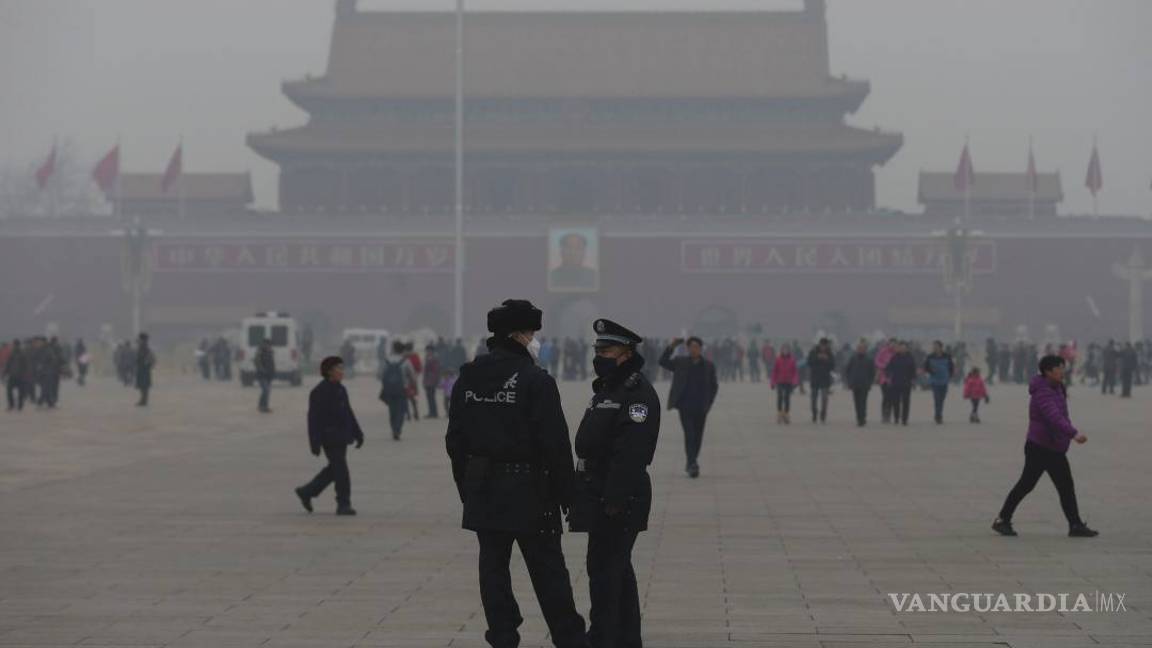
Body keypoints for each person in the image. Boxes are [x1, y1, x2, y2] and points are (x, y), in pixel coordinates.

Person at [445, 299, 588, 648]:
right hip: (530, 489)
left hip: (483, 487)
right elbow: (555, 443)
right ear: (521, 335)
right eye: (532, 333)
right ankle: (569, 636)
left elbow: (455, 439)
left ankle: (503, 635)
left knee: (493, 569)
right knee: (548, 569)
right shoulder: (535, 380)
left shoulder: (469, 375)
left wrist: (467, 486)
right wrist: (568, 496)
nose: (534, 338)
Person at [569, 319, 661, 648]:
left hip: (620, 495)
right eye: (597, 350)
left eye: (606, 350)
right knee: (616, 569)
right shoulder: (609, 388)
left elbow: (633, 453)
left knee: (605, 570)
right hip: (600, 489)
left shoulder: (636, 394)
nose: (599, 356)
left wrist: (615, 498)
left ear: (625, 353)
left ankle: (603, 637)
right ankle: (626, 637)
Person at [992, 356, 1098, 538]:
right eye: (1059, 368)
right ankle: (1003, 519)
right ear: (1048, 371)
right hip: (1040, 447)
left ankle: (1075, 525)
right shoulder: (1042, 391)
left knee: (1064, 485)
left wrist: (1066, 434)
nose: (1063, 371)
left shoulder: (1058, 388)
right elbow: (1053, 416)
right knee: (1027, 484)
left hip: (1053, 447)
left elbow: (1063, 415)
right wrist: (1073, 434)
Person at [295, 356, 364, 516]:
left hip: (342, 437)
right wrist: (315, 442)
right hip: (329, 438)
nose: (342, 371)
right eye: (338, 368)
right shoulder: (319, 392)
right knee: (341, 471)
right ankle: (343, 504)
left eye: (342, 368)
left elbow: (349, 413)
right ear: (329, 372)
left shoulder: (341, 389)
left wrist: (358, 433)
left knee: (334, 470)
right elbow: (313, 419)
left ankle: (306, 492)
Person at [659, 336, 718, 479]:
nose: (694, 349)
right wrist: (671, 347)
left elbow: (714, 386)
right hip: (685, 406)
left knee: (698, 437)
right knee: (689, 435)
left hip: (701, 407)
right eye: (691, 347)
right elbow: (662, 362)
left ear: (700, 348)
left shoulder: (708, 366)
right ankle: (692, 463)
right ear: (688, 348)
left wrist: (708, 403)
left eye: (696, 347)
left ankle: (691, 461)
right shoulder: (680, 362)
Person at [378, 341, 415, 440]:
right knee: (401, 411)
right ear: (402, 350)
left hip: (389, 389)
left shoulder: (386, 360)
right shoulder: (405, 361)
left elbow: (381, 374)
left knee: (392, 410)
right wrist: (414, 387)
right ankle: (397, 430)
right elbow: (412, 375)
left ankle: (393, 428)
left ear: (393, 349)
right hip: (402, 389)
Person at [844, 340, 875, 427]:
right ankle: (858, 417)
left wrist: (870, 383)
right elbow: (847, 370)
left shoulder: (869, 359)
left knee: (863, 402)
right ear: (857, 349)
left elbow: (872, 373)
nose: (861, 350)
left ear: (865, 349)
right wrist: (849, 381)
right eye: (859, 348)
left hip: (865, 384)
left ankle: (863, 418)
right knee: (857, 402)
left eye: (863, 348)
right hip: (855, 384)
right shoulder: (853, 358)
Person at [923, 341, 955, 424]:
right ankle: (938, 416)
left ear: (941, 347)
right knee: (937, 399)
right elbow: (926, 367)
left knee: (941, 399)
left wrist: (950, 376)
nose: (934, 348)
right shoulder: (930, 356)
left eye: (936, 346)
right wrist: (931, 371)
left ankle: (939, 414)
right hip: (934, 381)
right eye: (934, 346)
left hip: (944, 381)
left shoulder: (947, 356)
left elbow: (951, 367)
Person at [886, 342, 917, 426]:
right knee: (895, 402)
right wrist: (888, 377)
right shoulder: (894, 358)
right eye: (901, 347)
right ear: (898, 348)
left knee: (906, 402)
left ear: (906, 349)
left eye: (904, 348)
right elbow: (888, 368)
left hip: (906, 383)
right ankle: (896, 417)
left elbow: (913, 370)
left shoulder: (910, 358)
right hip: (895, 383)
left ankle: (904, 419)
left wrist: (913, 380)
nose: (902, 349)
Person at [806, 338, 835, 424]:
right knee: (813, 398)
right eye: (822, 345)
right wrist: (817, 357)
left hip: (825, 378)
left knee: (824, 398)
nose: (823, 347)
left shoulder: (830, 353)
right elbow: (809, 362)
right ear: (819, 344)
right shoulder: (813, 352)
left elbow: (833, 366)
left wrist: (826, 359)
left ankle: (823, 413)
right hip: (815, 378)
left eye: (825, 346)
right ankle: (814, 413)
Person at [770, 344, 799, 424]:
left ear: (789, 351)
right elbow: (774, 372)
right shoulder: (778, 360)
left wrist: (795, 382)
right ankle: (779, 413)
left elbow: (795, 372)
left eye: (787, 350)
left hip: (788, 382)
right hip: (780, 381)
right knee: (779, 397)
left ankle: (786, 414)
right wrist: (772, 382)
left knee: (787, 398)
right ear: (781, 350)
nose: (785, 351)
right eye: (784, 350)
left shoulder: (792, 360)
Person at [4, 339, 28, 411]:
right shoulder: (15, 353)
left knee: (11, 391)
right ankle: (18, 405)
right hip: (16, 375)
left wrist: (5, 373)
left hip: (16, 375)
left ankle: (13, 405)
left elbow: (8, 365)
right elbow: (8, 364)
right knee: (17, 391)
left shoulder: (19, 353)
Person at [254, 338, 276, 413]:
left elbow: (272, 364)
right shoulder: (260, 352)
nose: (269, 346)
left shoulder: (270, 352)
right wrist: (262, 370)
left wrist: (273, 372)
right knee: (265, 390)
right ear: (264, 344)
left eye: (270, 345)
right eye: (268, 345)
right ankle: (262, 406)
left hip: (269, 375)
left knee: (267, 391)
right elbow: (257, 363)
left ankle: (263, 406)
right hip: (262, 375)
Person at [422, 343, 443, 419]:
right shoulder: (428, 358)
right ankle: (431, 412)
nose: (427, 352)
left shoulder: (434, 359)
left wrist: (436, 380)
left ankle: (434, 413)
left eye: (428, 350)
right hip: (428, 380)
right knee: (429, 397)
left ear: (431, 351)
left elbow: (436, 371)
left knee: (431, 397)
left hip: (431, 381)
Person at [135, 333, 155, 407]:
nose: (138, 340)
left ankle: (144, 400)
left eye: (140, 339)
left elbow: (143, 357)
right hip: (143, 368)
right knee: (143, 386)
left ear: (142, 339)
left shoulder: (144, 347)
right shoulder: (144, 346)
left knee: (144, 386)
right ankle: (143, 400)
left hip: (143, 369)